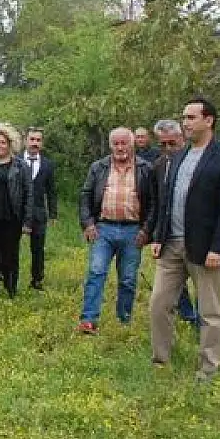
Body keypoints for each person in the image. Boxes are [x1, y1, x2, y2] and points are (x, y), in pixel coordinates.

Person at [149, 97, 220, 382]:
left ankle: (209, 367)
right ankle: (160, 360)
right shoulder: (178, 156)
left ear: (209, 120)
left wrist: (219, 246)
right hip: (171, 245)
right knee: (158, 304)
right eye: (184, 117)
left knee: (209, 311)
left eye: (191, 118)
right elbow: (167, 201)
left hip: (205, 248)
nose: (185, 123)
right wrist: (158, 235)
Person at [77, 127, 156, 334]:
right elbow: (85, 195)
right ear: (110, 145)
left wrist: (146, 230)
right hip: (103, 229)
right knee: (96, 272)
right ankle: (89, 320)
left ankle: (124, 320)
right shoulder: (99, 167)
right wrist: (88, 223)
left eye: (124, 143)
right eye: (116, 144)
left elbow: (155, 203)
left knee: (128, 278)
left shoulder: (146, 168)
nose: (120, 148)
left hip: (133, 231)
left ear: (132, 144)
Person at [152, 119, 199, 327]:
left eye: (172, 143)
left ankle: (203, 323)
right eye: (163, 144)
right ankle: (187, 315)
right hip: (169, 236)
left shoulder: (196, 161)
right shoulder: (159, 166)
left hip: (196, 234)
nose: (168, 149)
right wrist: (156, 236)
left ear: (183, 139)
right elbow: (159, 203)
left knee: (202, 284)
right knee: (171, 285)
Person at [0, 128, 32, 299]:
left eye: (3, 142)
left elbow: (28, 193)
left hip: (12, 219)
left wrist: (27, 221)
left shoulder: (20, 166)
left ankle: (11, 289)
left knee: (10, 256)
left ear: (10, 145)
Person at [22, 127, 57, 290]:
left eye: (38, 140)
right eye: (32, 139)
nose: (35, 143)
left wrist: (53, 214)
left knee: (38, 249)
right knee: (8, 246)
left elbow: (51, 191)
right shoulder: (15, 160)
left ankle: (37, 280)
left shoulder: (48, 165)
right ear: (25, 140)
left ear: (41, 143)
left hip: (38, 212)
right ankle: (6, 276)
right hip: (17, 211)